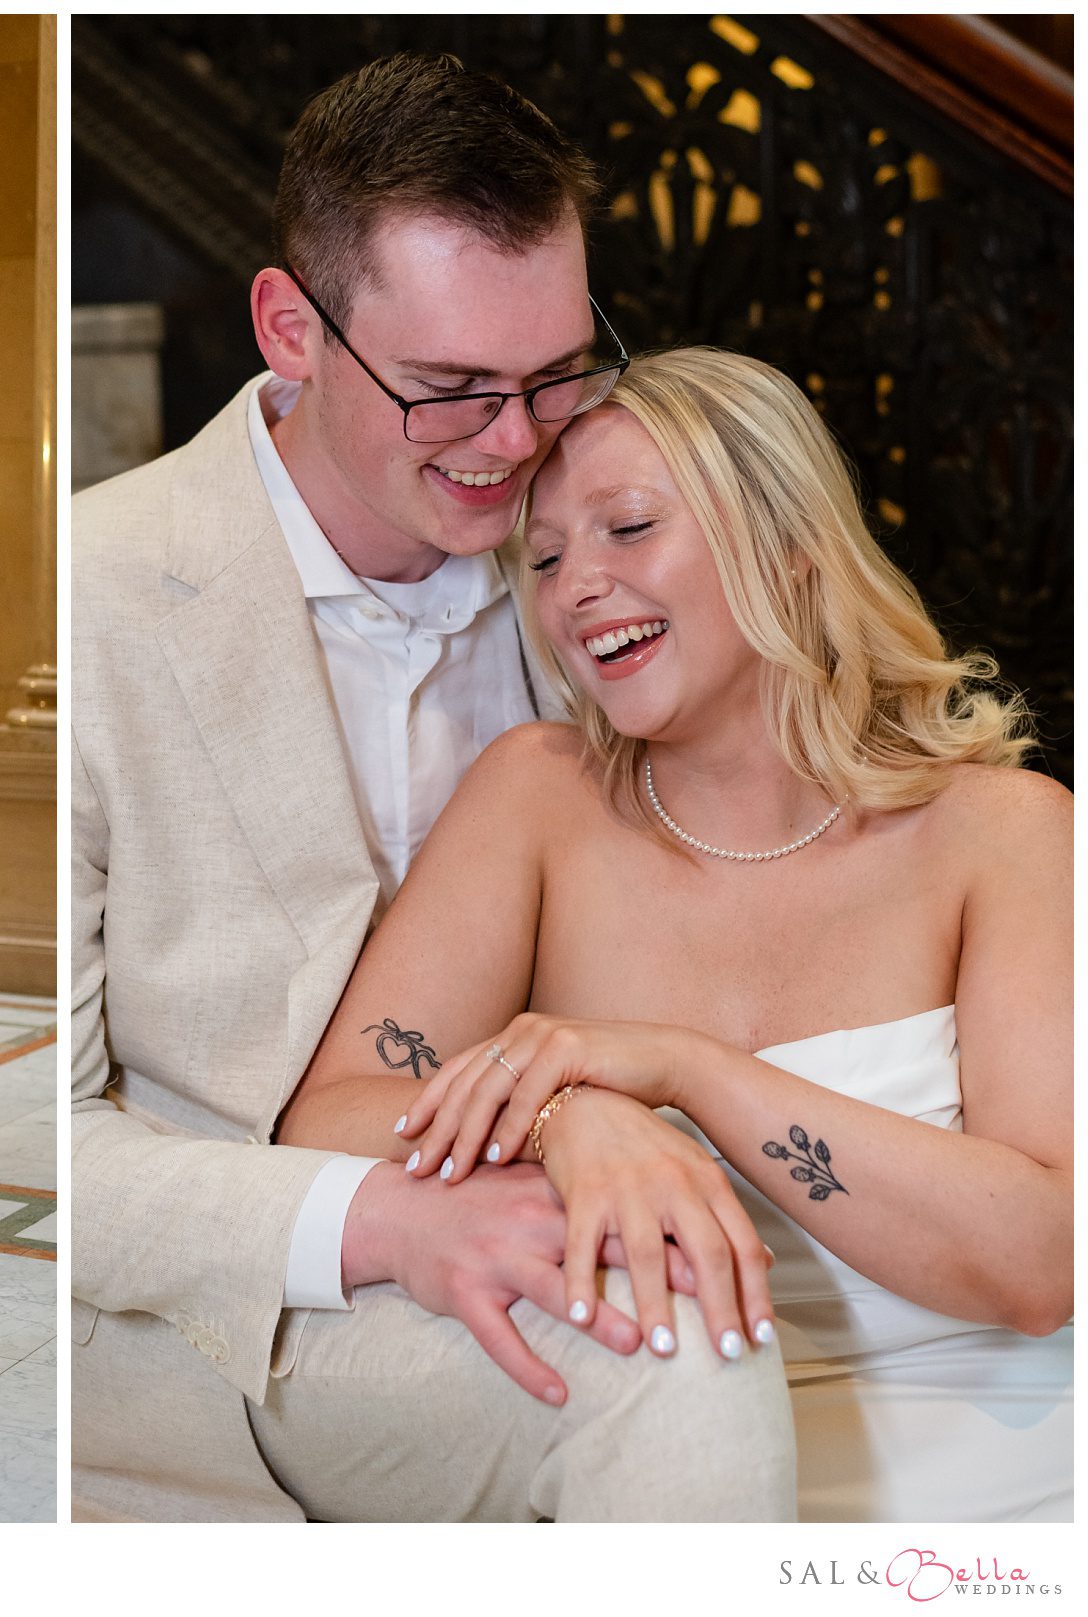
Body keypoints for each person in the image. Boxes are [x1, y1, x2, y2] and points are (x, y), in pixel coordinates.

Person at [72, 53, 796, 1521]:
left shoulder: (606, 562)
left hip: (558, 1221)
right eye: (453, 391)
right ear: (293, 329)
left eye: (552, 373)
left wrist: (588, 1108)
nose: (519, 444)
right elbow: (50, 1138)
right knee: (672, 1347)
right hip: (190, 1327)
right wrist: (381, 1219)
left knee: (687, 1323)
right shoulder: (85, 595)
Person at [284, 346, 1073, 1522]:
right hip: (643, 1479)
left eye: (627, 528)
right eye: (542, 558)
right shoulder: (536, 800)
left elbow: (1038, 1265)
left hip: (1007, 1498)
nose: (573, 588)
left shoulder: (998, 832)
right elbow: (333, 1115)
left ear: (789, 546)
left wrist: (685, 1072)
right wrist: (565, 1114)